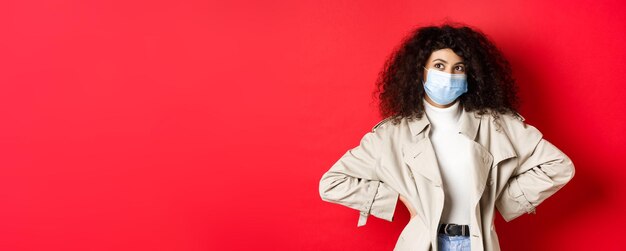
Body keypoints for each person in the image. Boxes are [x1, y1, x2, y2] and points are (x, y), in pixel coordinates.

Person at [318, 23, 575, 251]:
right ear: (421, 72)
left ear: (470, 76)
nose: (449, 75)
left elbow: (560, 166)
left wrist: (501, 202)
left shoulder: (498, 125)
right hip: (421, 244)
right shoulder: (391, 134)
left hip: (478, 244)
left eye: (458, 68)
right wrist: (398, 199)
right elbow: (332, 183)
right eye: (439, 66)